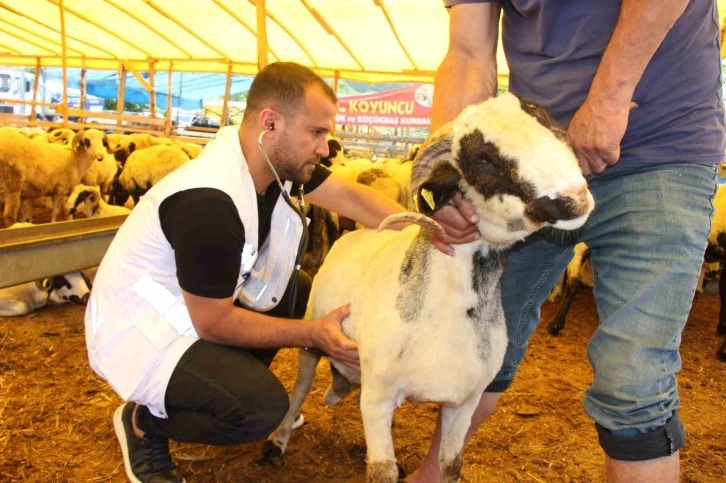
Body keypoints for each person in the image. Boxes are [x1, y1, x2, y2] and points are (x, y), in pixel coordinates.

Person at [408, 1, 725, 482]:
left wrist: (609, 99)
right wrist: (457, 178)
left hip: (659, 146)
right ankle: (434, 474)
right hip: (530, 165)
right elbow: (469, 52)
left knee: (633, 375)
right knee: (482, 336)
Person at [85, 62, 409, 483]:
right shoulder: (210, 204)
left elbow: (352, 197)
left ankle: (223, 384)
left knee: (297, 290)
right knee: (259, 410)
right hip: (144, 334)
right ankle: (143, 422)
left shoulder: (271, 163)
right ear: (270, 123)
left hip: (194, 311)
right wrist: (311, 333)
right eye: (316, 133)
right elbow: (214, 323)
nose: (325, 148)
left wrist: (424, 233)